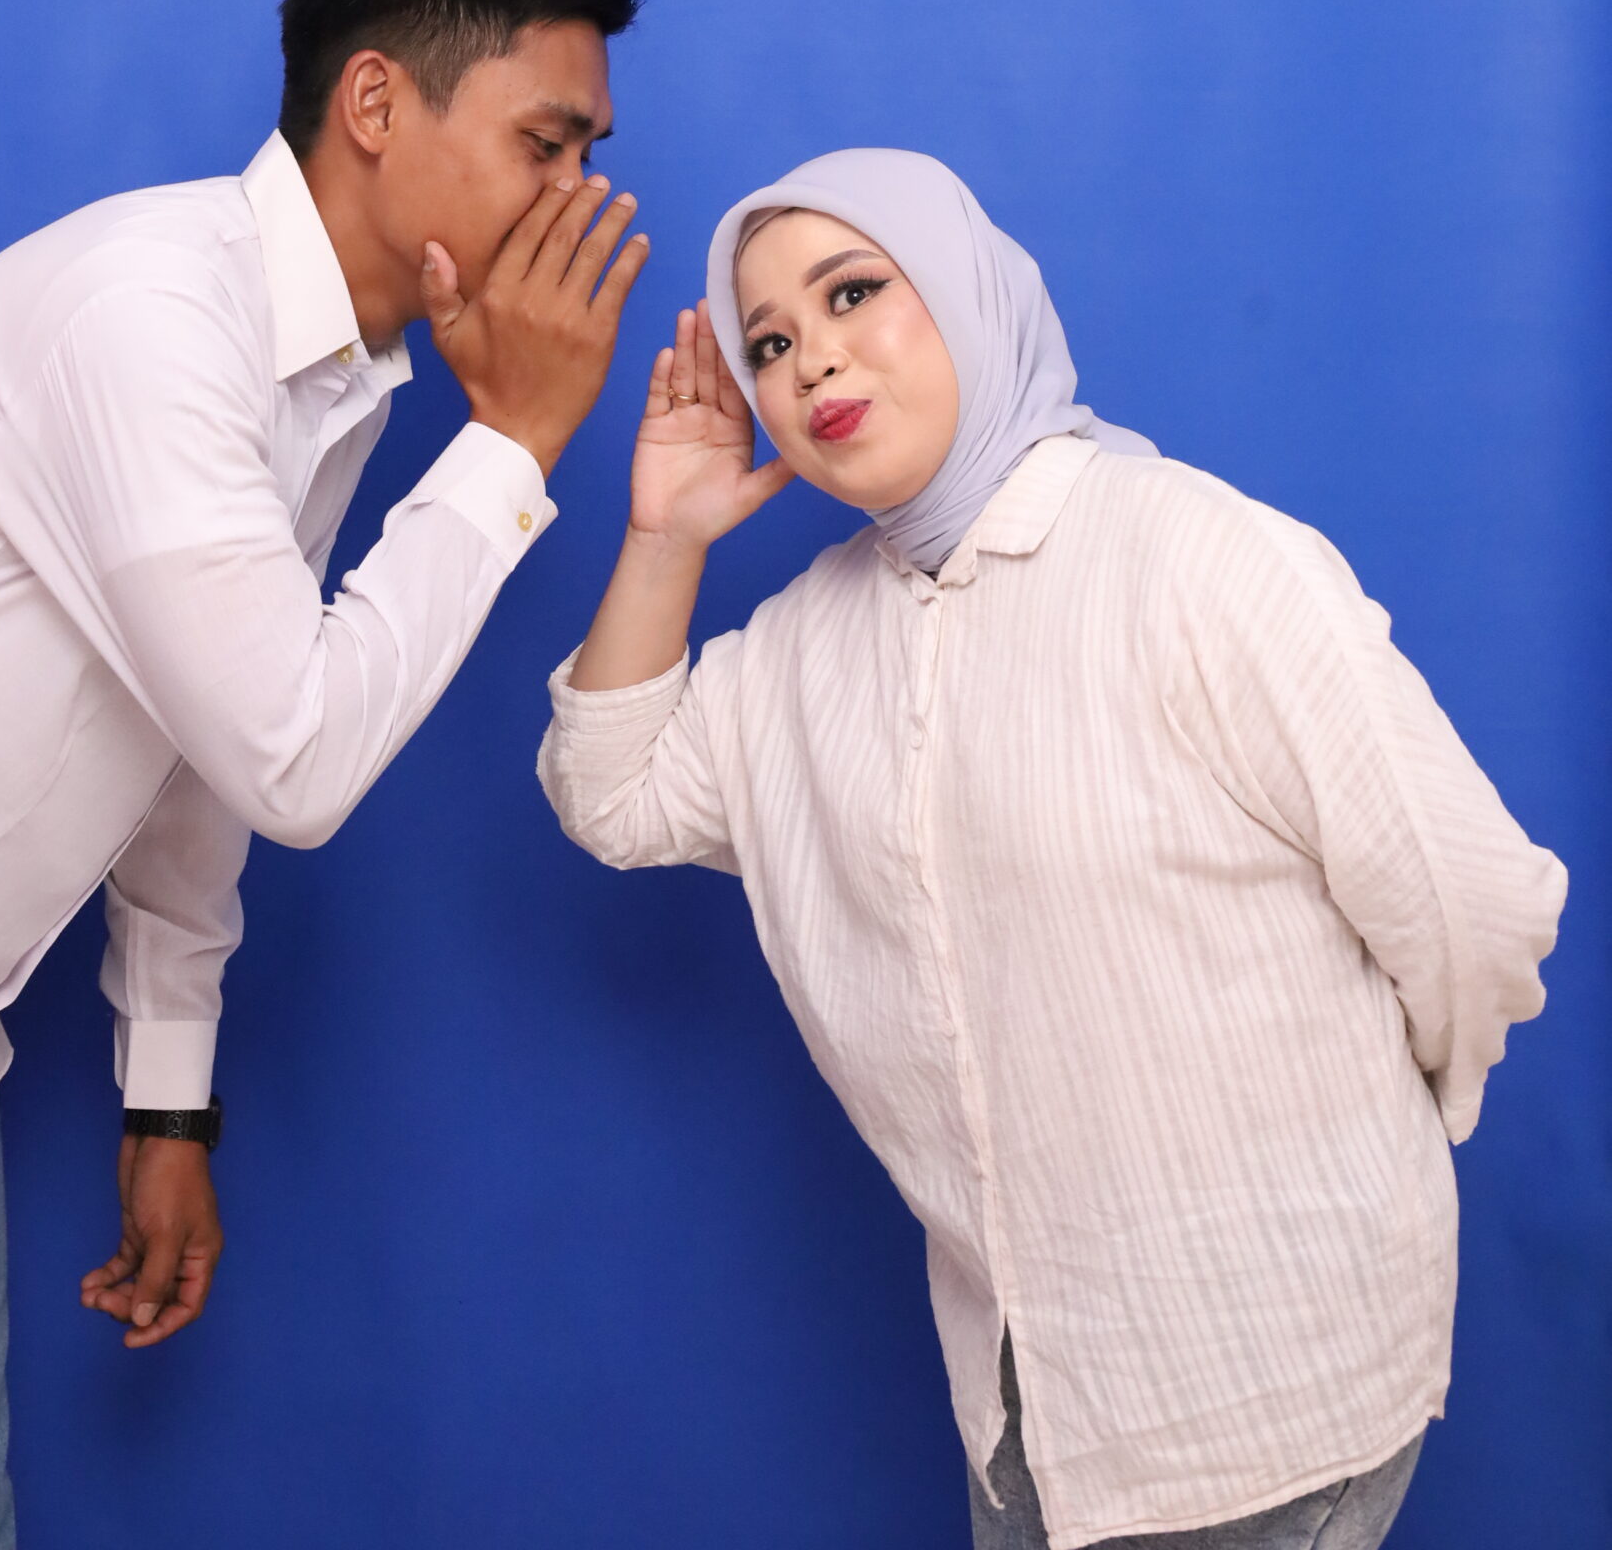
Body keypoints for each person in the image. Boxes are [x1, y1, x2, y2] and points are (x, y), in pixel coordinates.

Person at [540, 147, 1566, 1550]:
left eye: (854, 293)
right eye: (766, 343)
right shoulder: (801, 651)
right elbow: (611, 792)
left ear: (970, 293)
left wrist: (1376, 1131)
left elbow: (1472, 901)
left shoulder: (1196, 559)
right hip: (1029, 1413)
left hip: (1273, 1388)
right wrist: (665, 540)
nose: (811, 358)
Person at [0, 0, 650, 1549]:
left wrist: (168, 1095)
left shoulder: (330, 376)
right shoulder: (156, 318)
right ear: (375, 102)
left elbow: (198, 749)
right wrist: (513, 446)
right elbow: (293, 758)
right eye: (546, 145)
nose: (581, 201)